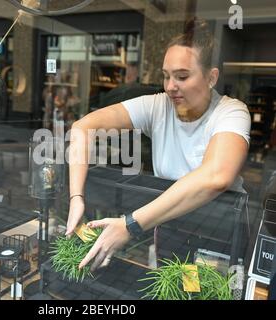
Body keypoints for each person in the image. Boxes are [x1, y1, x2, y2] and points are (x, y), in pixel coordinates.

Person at [65, 18, 251, 272]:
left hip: (217, 228)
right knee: (171, 286)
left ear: (211, 77)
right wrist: (77, 197)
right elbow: (82, 128)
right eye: (166, 76)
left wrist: (130, 225)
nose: (171, 86)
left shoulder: (231, 112)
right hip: (170, 221)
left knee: (205, 289)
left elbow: (216, 176)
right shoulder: (157, 105)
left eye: (182, 76)